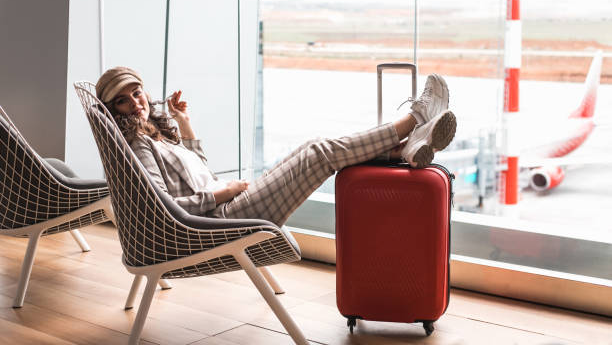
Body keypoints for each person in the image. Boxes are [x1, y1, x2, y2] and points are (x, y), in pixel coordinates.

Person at [96, 67, 456, 226]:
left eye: (136, 92)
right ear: (113, 111)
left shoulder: (153, 133)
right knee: (318, 153)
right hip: (218, 219)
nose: (136, 102)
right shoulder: (138, 148)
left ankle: (403, 150)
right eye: (123, 101)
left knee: (313, 145)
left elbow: (200, 174)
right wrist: (223, 195)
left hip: (227, 203)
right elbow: (164, 206)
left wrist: (186, 128)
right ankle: (416, 118)